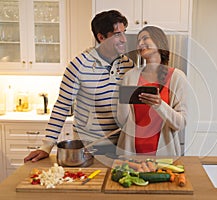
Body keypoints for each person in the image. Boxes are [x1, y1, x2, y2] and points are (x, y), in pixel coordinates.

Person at [24, 10, 134, 162]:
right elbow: (62, 106)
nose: (123, 39)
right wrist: (47, 146)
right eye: (116, 34)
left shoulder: (128, 65)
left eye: (124, 32)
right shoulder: (79, 66)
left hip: (122, 145)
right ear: (101, 37)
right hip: (90, 147)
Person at [116, 26, 188, 156]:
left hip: (164, 155)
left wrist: (159, 105)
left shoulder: (177, 77)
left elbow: (180, 123)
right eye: (138, 41)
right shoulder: (129, 76)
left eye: (145, 38)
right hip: (131, 153)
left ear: (159, 42)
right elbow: (122, 121)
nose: (140, 43)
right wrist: (124, 99)